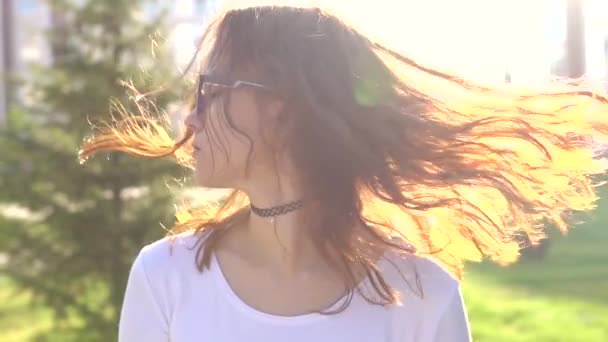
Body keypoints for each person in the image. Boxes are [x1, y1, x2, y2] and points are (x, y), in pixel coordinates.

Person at [79, 4, 608, 342]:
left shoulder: (421, 296)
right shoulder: (166, 276)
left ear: (282, 111)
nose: (189, 118)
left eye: (209, 91)